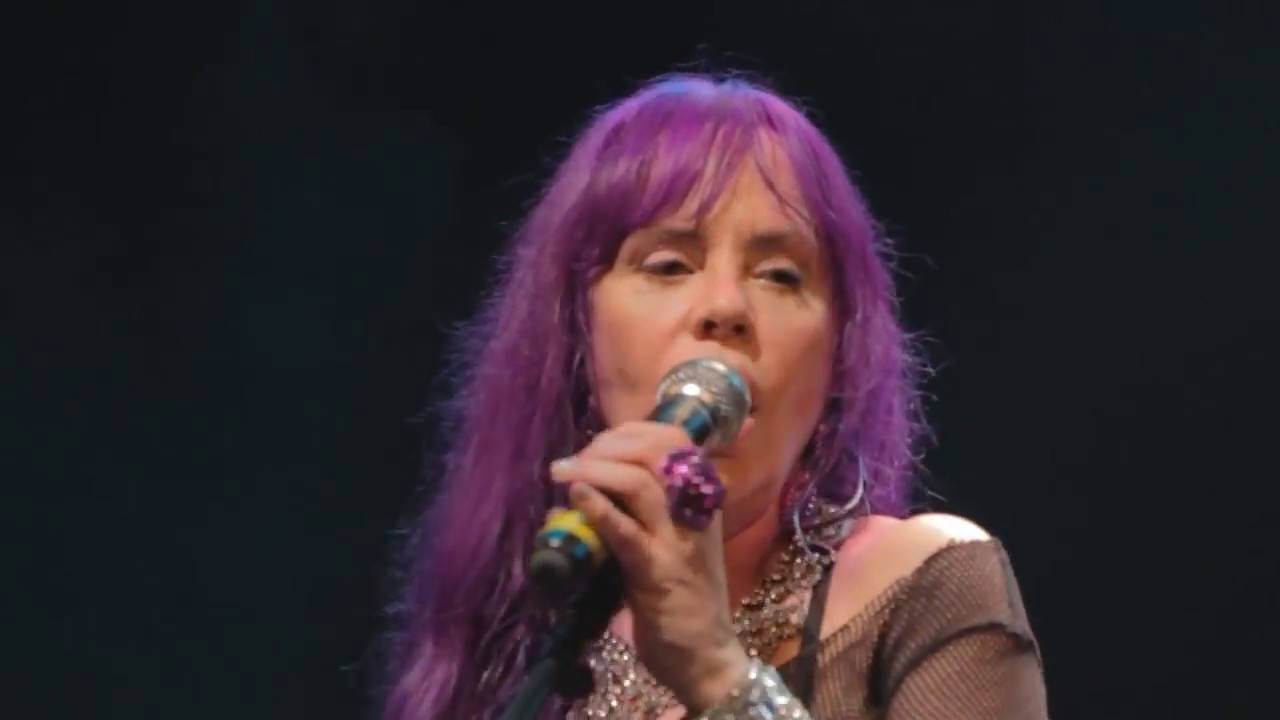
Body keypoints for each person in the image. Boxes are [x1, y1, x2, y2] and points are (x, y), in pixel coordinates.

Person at [380, 72, 1048, 719]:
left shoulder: (923, 583)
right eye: (669, 265)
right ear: (578, 329)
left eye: (779, 275)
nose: (725, 307)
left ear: (838, 355)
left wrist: (714, 670)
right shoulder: (519, 651)